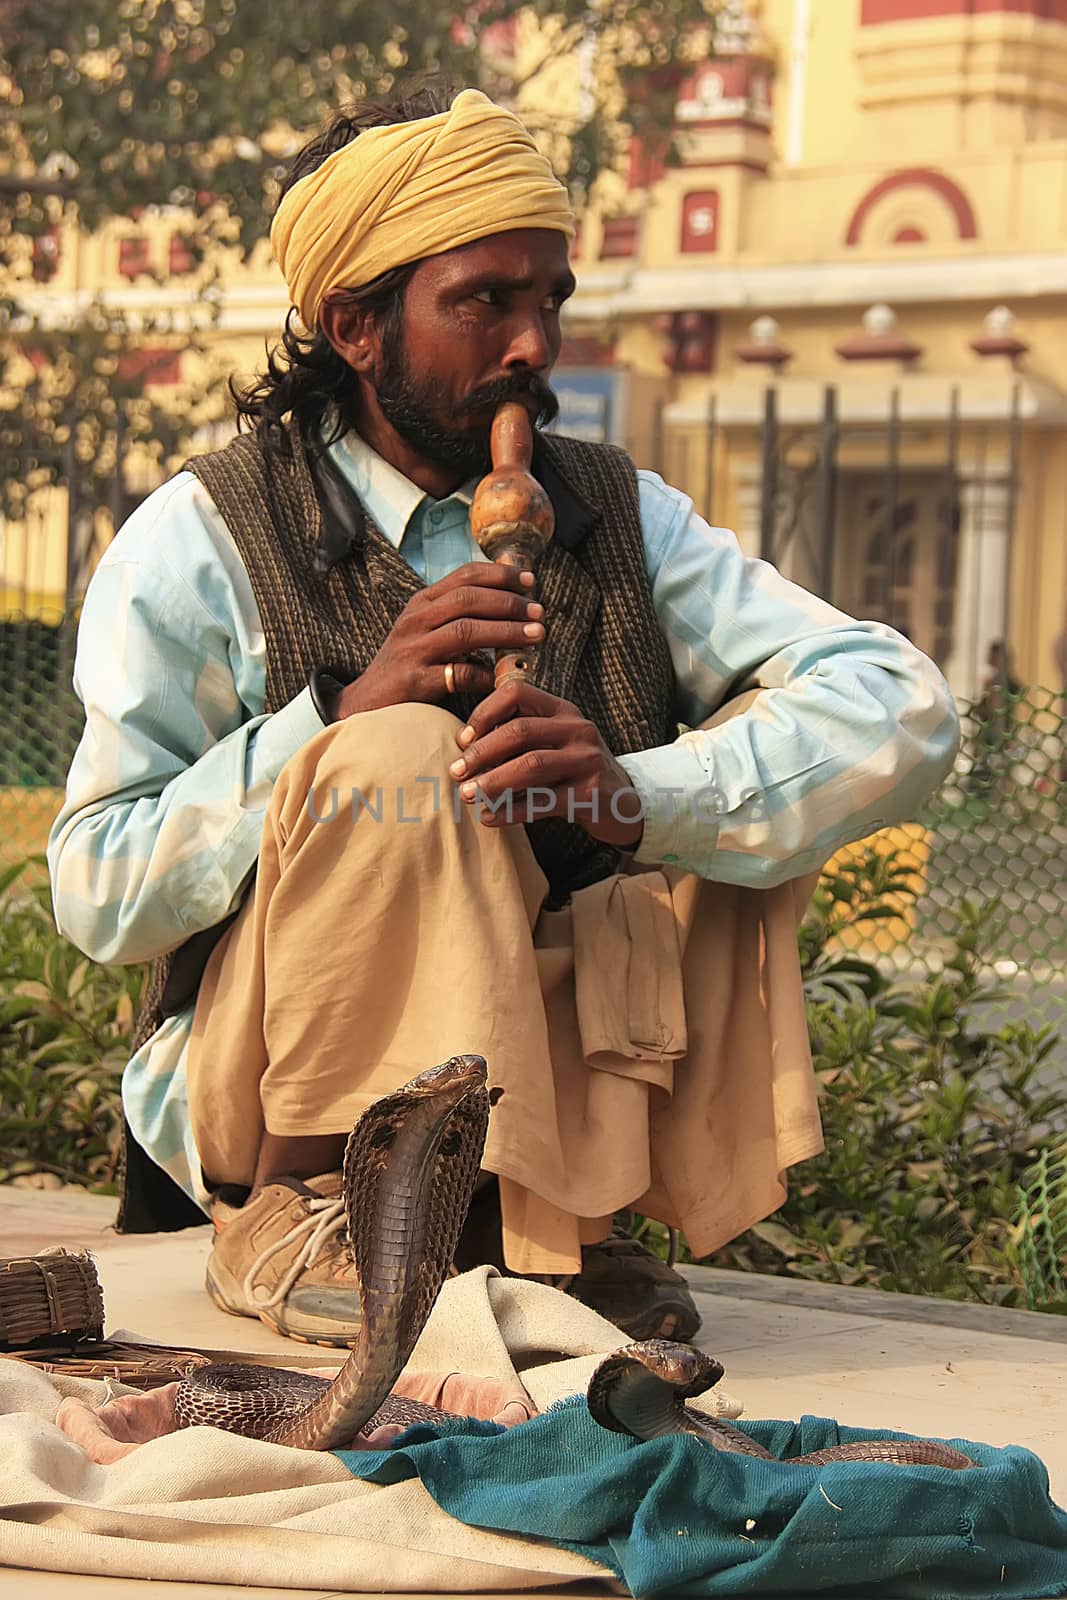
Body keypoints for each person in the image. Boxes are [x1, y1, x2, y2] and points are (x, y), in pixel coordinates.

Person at [47, 84, 960, 1349]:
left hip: (555, 1101)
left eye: (550, 301)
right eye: (485, 302)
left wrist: (639, 794)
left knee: (732, 805)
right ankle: (307, 1206)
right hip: (261, 1108)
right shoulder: (201, 539)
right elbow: (96, 891)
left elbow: (899, 702)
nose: (533, 345)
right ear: (355, 326)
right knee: (398, 757)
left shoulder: (616, 514)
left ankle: (551, 1220)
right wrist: (333, 724)